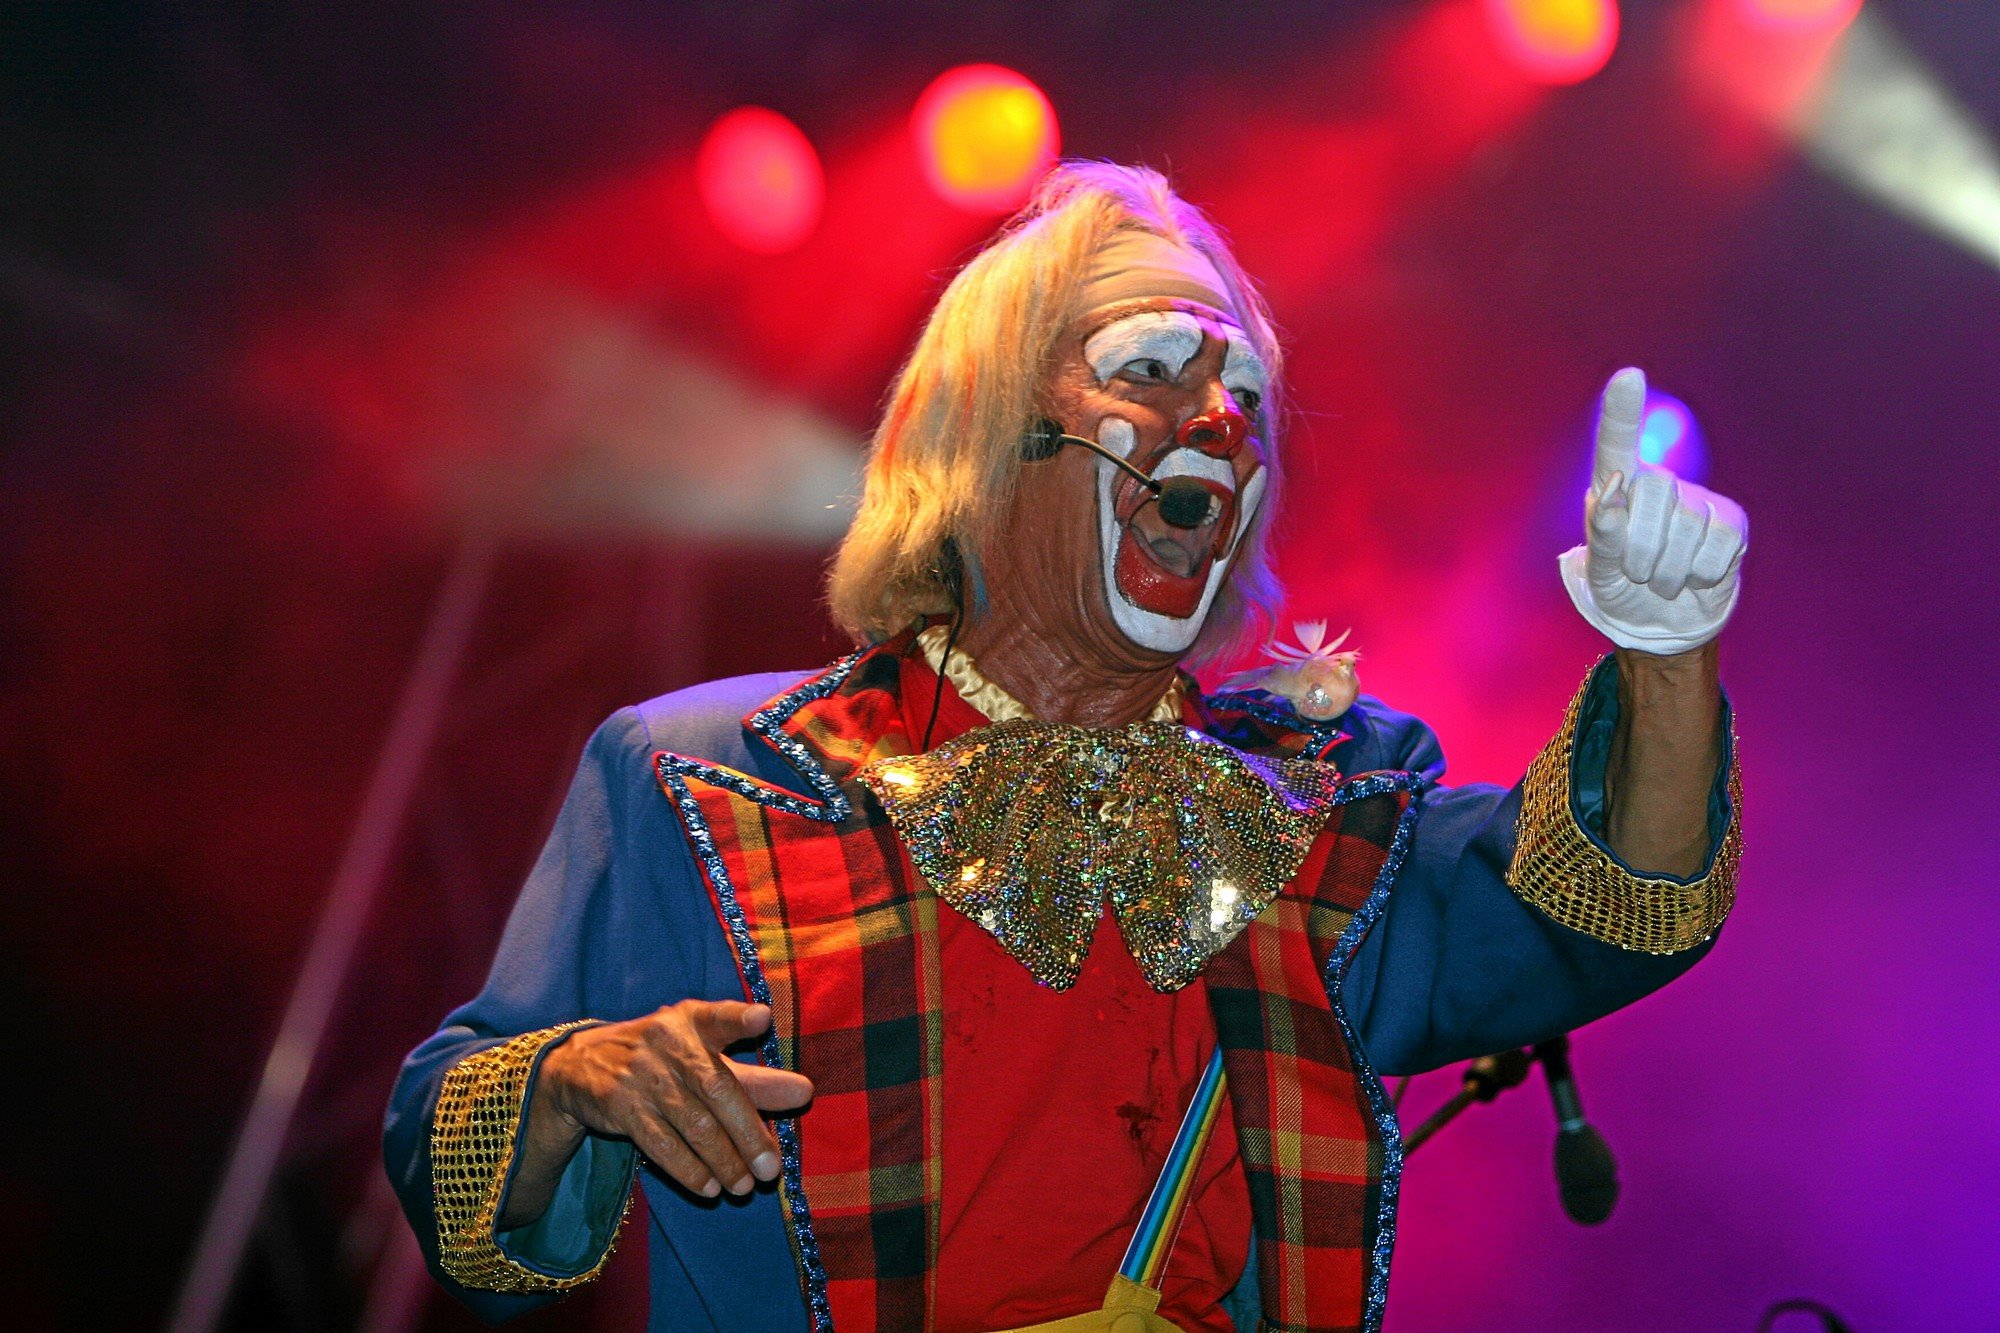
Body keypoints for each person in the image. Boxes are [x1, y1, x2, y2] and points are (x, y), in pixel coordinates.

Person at [385, 162, 1746, 1333]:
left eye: (1244, 391)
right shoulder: (706, 776)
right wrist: (574, 1079)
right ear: (987, 434)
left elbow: (1610, 903)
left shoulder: (1323, 809)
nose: (1218, 418)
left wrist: (1668, 656)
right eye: (1148, 368)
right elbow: (449, 1170)